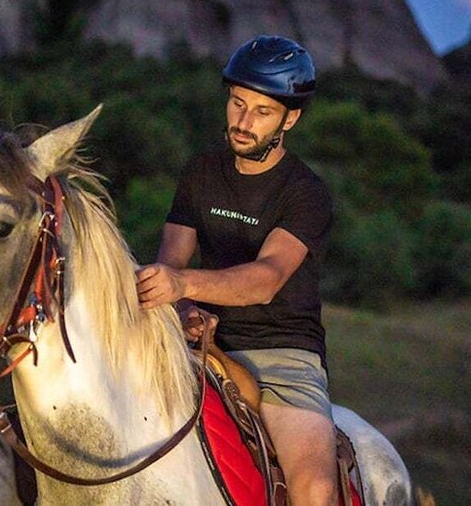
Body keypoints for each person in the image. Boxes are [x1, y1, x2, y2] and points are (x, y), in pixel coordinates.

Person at [136, 35, 338, 505]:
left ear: (291, 118)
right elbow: (172, 262)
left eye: (262, 112)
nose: (243, 122)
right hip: (201, 339)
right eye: (237, 103)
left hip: (282, 352)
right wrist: (184, 308)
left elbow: (266, 279)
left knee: (315, 489)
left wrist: (181, 285)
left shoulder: (306, 193)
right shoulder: (201, 171)